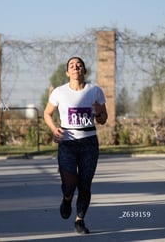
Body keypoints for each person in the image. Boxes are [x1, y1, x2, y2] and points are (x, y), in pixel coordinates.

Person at [43, 56, 108, 235]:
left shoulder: (95, 91)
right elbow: (47, 114)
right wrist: (54, 130)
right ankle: (67, 198)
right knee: (70, 183)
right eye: (72, 65)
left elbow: (103, 119)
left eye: (79, 65)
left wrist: (97, 113)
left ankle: (80, 220)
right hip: (68, 142)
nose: (75, 67)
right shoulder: (59, 92)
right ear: (67, 72)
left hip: (89, 143)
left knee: (85, 185)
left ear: (84, 70)